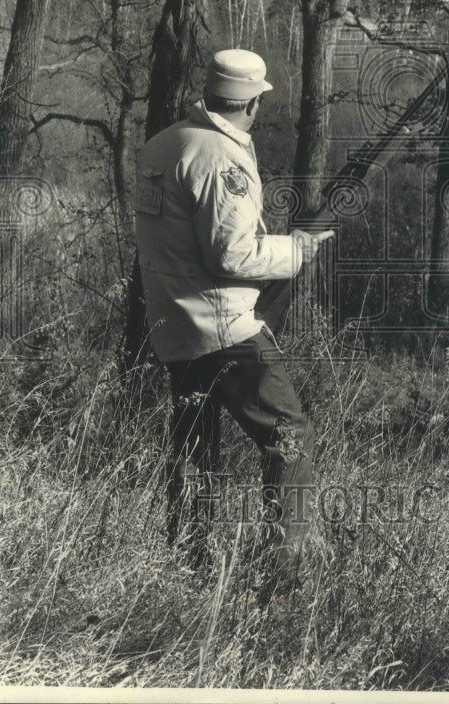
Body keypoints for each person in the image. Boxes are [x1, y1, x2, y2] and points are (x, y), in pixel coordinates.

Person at [134, 48, 333, 602]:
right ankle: (287, 577)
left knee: (195, 447)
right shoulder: (221, 158)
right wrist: (297, 250)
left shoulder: (166, 142)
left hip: (173, 325)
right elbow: (233, 256)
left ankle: (187, 565)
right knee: (290, 434)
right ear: (251, 101)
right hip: (225, 327)